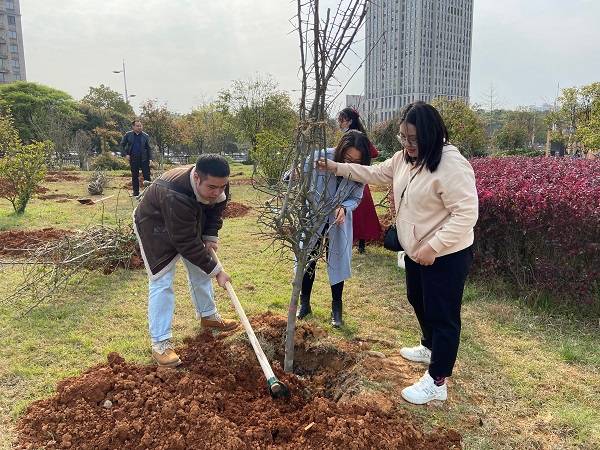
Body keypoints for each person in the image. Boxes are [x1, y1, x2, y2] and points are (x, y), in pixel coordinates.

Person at [318, 102, 478, 405]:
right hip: (417, 250)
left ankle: (437, 381)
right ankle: (429, 347)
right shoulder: (404, 159)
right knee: (418, 299)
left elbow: (466, 214)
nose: (407, 144)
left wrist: (435, 247)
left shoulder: (451, 164)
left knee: (443, 316)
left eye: (413, 139)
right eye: (402, 137)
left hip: (445, 254)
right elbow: (375, 173)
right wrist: (337, 167)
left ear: (432, 135)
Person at [133, 154, 238, 367]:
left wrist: (210, 235)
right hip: (155, 224)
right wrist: (217, 271)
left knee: (200, 270)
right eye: (212, 188)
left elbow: (217, 209)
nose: (218, 192)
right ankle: (160, 343)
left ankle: (208, 316)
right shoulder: (174, 193)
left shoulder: (217, 183)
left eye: (222, 186)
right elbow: (186, 243)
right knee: (162, 280)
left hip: (187, 220)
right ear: (197, 178)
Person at [297, 130, 371, 327]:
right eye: (347, 159)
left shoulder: (360, 171)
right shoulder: (320, 158)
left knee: (336, 259)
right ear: (340, 150)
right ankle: (304, 304)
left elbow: (356, 197)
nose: (349, 165)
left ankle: (336, 309)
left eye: (355, 162)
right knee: (308, 259)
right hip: (313, 217)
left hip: (338, 221)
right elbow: (301, 183)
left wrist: (344, 208)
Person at [337, 108, 382, 253]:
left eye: (342, 119)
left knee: (355, 210)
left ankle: (351, 242)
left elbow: (373, 153)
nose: (340, 123)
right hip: (358, 177)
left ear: (349, 120)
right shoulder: (359, 135)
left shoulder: (353, 137)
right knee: (360, 212)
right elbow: (374, 152)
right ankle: (359, 243)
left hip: (354, 180)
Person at [121, 119, 153, 198]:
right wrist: (126, 154)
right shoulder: (128, 135)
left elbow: (149, 148)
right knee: (134, 176)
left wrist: (150, 159)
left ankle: (148, 193)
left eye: (140, 126)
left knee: (147, 176)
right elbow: (122, 145)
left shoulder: (146, 136)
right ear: (133, 127)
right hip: (133, 158)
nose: (139, 127)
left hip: (144, 159)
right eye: (137, 126)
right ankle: (136, 193)